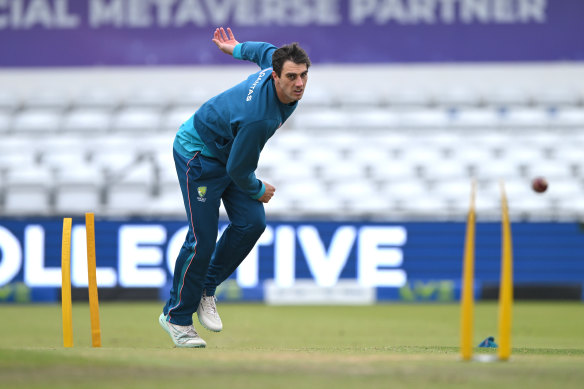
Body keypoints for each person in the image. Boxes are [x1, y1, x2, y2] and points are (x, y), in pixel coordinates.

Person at [159, 27, 311, 348]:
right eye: (292, 77)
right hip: (197, 152)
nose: (299, 83)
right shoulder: (260, 117)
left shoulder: (275, 61)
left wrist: (235, 48)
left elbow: (261, 50)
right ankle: (176, 317)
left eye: (304, 76)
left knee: (252, 222)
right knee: (202, 239)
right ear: (275, 77)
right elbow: (239, 170)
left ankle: (205, 286)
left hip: (227, 148)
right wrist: (258, 190)